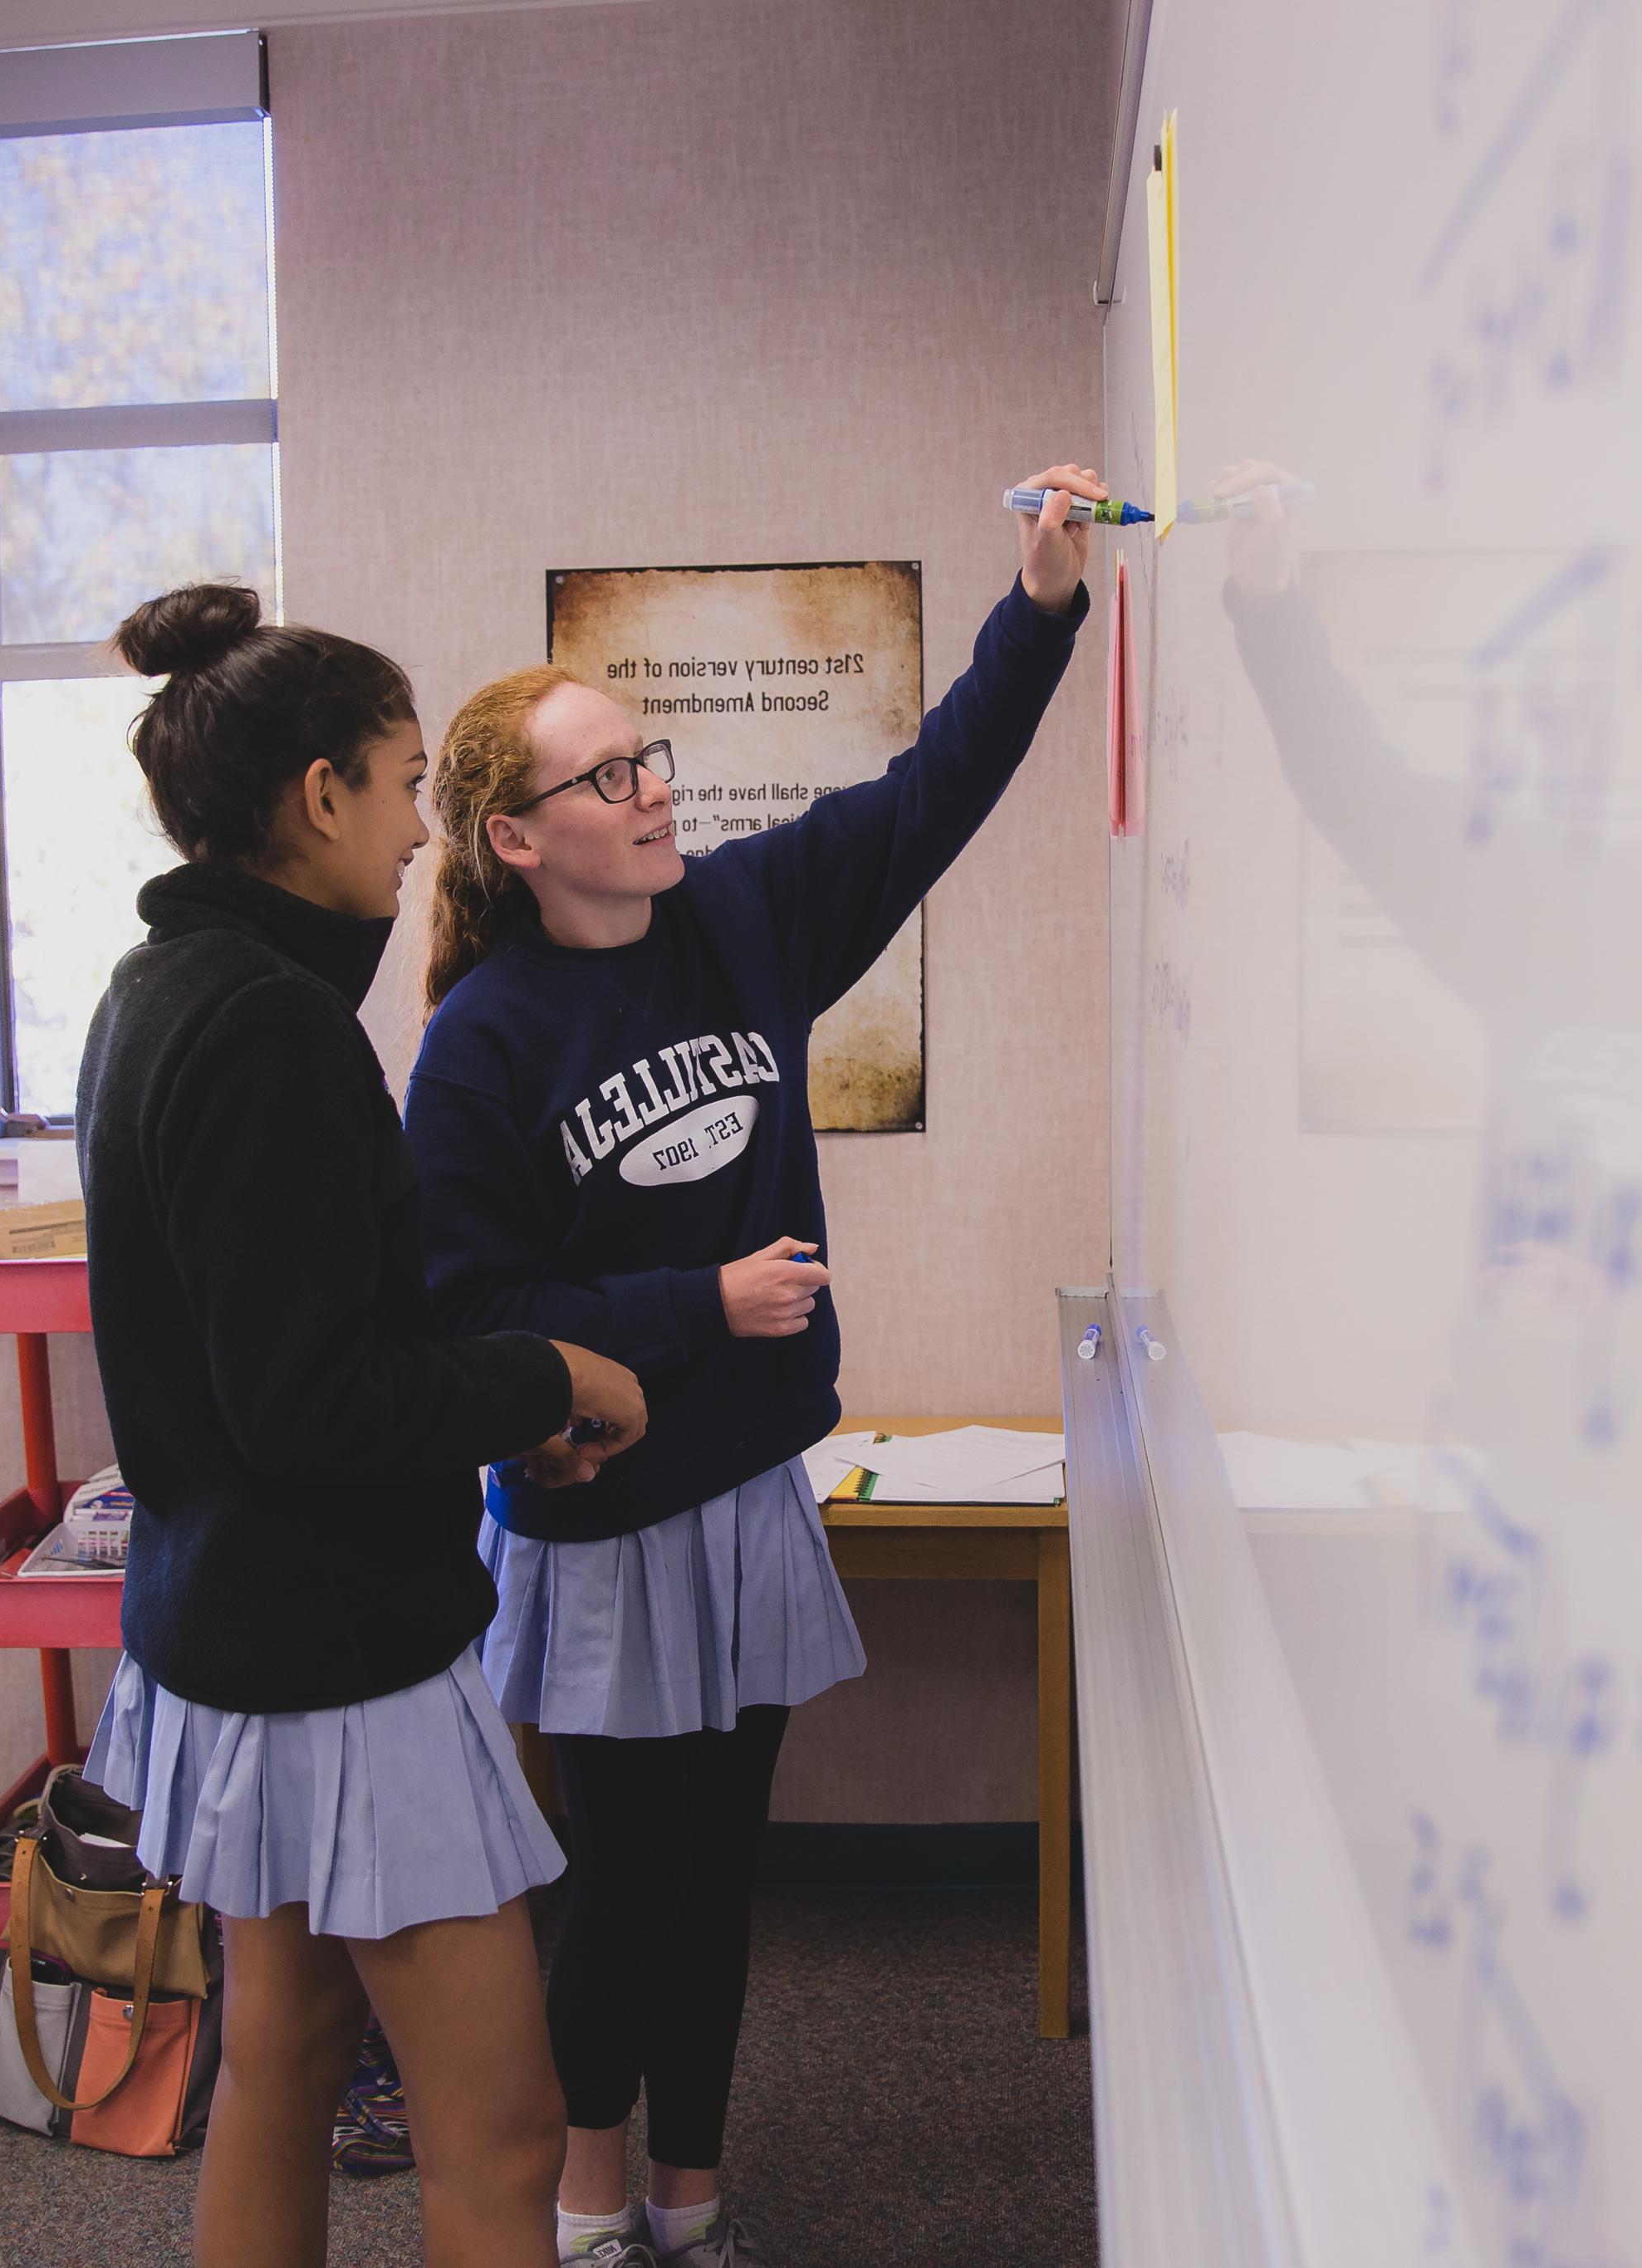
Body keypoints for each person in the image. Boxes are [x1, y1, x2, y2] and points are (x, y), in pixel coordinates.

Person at [400, 469, 1103, 2266]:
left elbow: (924, 798)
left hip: (748, 1491)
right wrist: (690, 1307)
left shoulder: (737, 918)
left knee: (723, 1877)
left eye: (648, 761)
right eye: (608, 776)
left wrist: (1036, 605)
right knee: (622, 1884)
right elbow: (467, 1314)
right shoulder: (478, 1047)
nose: (654, 793)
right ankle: (578, 2196)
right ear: (514, 840)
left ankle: (689, 2197)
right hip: (600, 1516)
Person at [71, 578, 651, 2268]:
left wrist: (474, 1402)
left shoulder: (162, 988)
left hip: (227, 1625)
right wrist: (549, 1378)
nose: (417, 829)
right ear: (316, 792)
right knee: (501, 2130)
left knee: (287, 2052)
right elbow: (312, 1399)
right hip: (336, 1659)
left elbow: (292, 1344)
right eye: (401, 782)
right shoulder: (267, 1025)